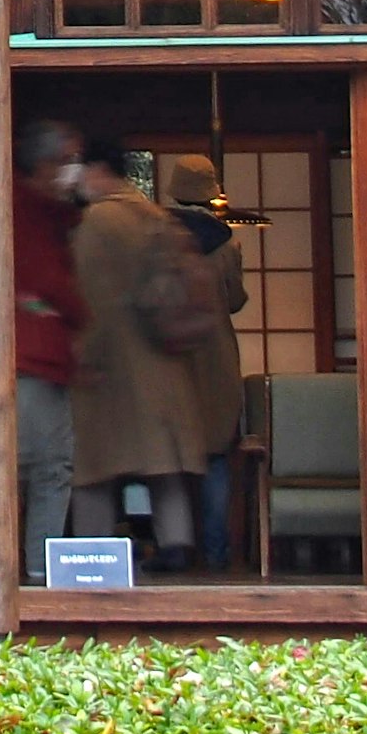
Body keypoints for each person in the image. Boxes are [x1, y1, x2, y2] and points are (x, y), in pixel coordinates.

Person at [68, 137, 216, 568]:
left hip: (111, 370)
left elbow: (88, 299)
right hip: (164, 363)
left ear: (97, 169)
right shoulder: (156, 216)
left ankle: (90, 559)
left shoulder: (97, 222)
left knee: (92, 472)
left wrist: (80, 357)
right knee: (164, 471)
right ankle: (178, 551)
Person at [155, 153, 251, 571]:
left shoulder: (152, 236)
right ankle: (216, 554)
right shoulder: (226, 242)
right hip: (215, 358)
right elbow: (234, 300)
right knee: (215, 456)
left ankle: (172, 549)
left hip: (167, 355)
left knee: (169, 458)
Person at [13, 118, 87, 568]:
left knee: (39, 468)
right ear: (43, 165)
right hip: (32, 359)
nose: (73, 171)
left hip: (41, 357)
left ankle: (33, 565)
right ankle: (37, 567)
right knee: (44, 468)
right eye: (66, 161)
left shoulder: (49, 213)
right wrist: (75, 312)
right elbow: (47, 283)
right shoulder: (26, 212)